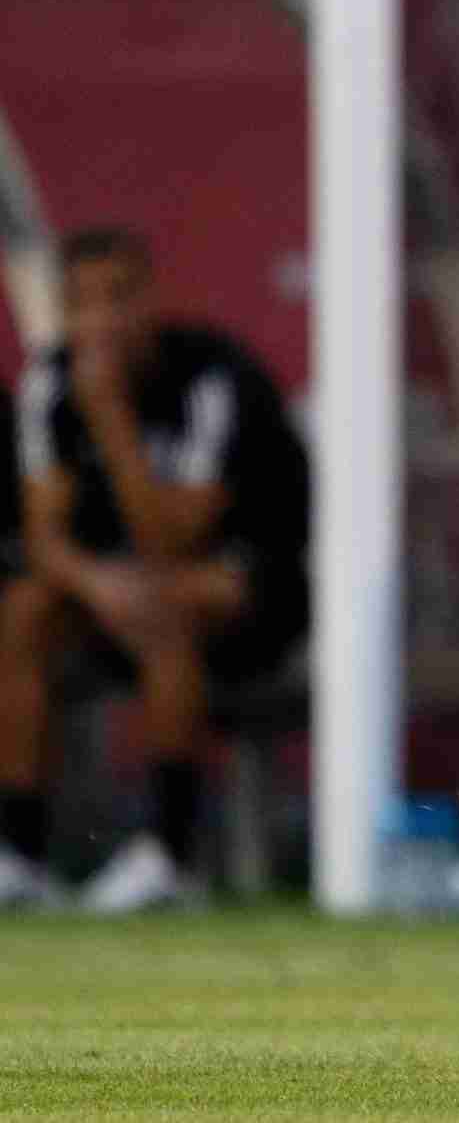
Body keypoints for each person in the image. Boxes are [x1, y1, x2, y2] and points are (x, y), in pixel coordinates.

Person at [0, 228, 310, 913]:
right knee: (25, 609)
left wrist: (111, 418)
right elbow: (45, 535)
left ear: (150, 299)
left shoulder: (211, 377)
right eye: (81, 303)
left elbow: (175, 540)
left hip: (251, 590)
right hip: (120, 590)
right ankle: (20, 854)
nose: (101, 321)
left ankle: (171, 855)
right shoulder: (51, 381)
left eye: (118, 298)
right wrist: (99, 584)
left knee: (165, 602)